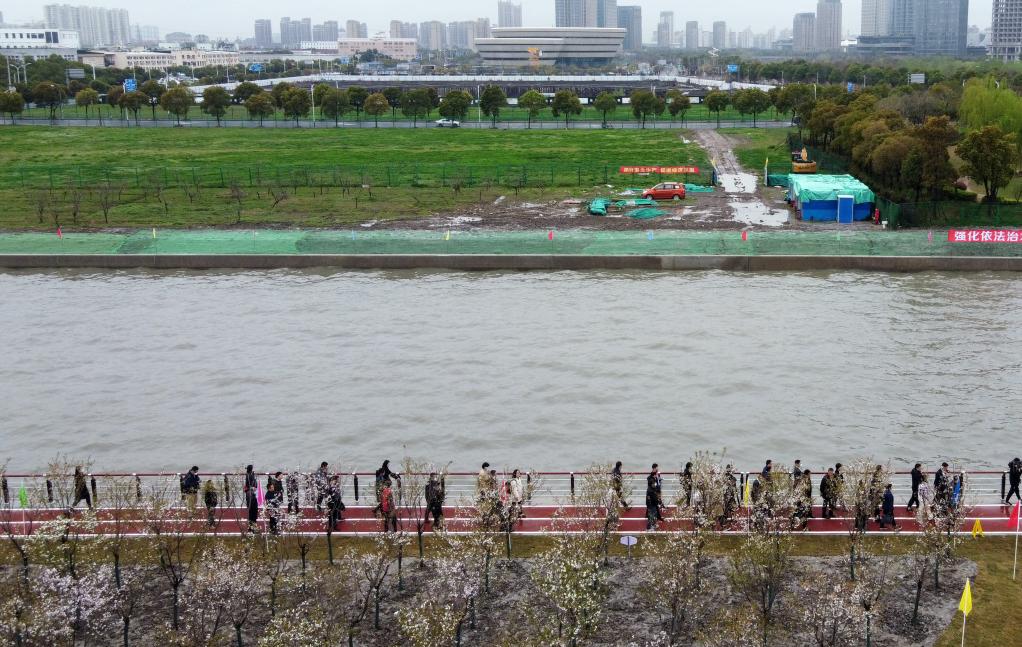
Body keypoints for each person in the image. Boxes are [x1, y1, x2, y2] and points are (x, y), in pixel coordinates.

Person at [243, 465, 258, 533]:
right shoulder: (249, 476)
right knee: (253, 514)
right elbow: (252, 483)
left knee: (252, 514)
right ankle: (252, 528)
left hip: (251, 497)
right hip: (251, 499)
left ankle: (251, 528)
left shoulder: (248, 475)